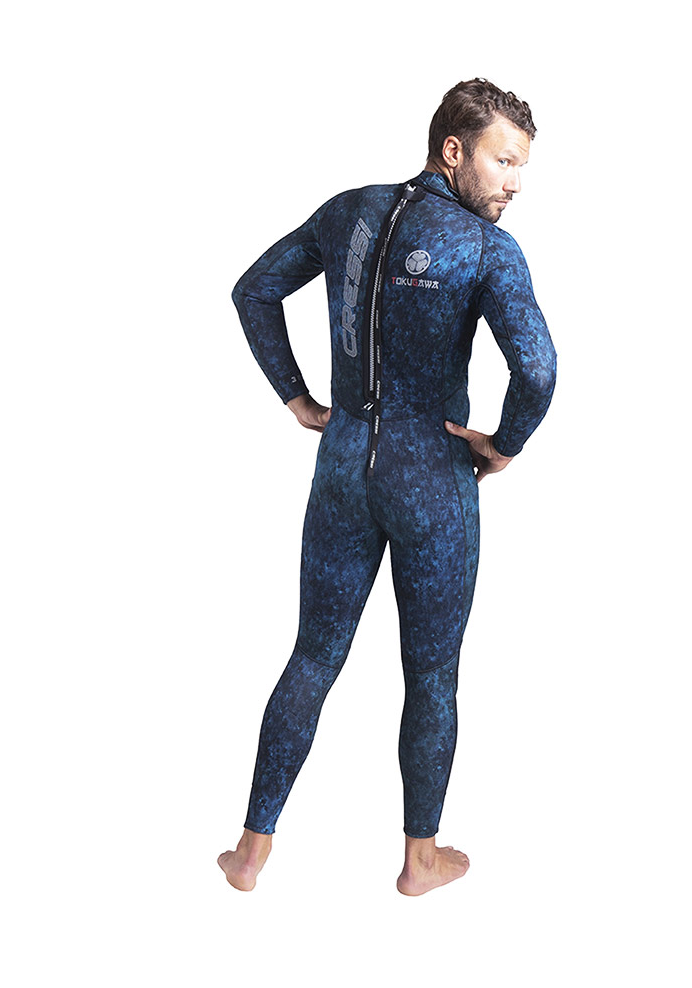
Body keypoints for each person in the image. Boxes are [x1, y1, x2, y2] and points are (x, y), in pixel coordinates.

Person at [218, 78, 557, 895]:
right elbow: (539, 371)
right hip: (432, 477)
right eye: (504, 161)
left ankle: (250, 853)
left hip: (343, 464)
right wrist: (503, 446)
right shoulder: (485, 248)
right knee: (432, 675)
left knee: (313, 655)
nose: (516, 182)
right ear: (453, 150)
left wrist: (299, 400)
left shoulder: (350, 212)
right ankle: (419, 859)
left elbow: (254, 289)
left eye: (523, 165)